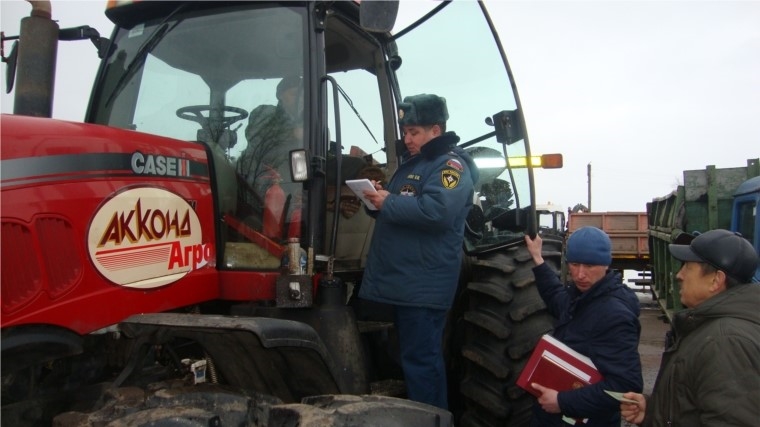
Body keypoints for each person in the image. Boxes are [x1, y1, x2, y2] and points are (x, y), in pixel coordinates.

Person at [358, 93, 478, 410]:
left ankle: (432, 418)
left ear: (435, 131)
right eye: (405, 132)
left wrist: (390, 201)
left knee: (421, 363)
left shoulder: (450, 166)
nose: (407, 139)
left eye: (414, 132)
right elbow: (402, 208)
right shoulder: (418, 165)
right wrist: (377, 200)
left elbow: (437, 212)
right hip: (406, 283)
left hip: (423, 287)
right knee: (410, 359)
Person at [620, 229, 760, 426]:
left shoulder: (725, 342)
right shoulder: (709, 328)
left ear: (715, 280)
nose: (679, 274)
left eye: (688, 267)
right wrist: (653, 411)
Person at [524, 227, 643, 426]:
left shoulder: (615, 316)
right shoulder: (581, 297)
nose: (580, 274)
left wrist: (563, 402)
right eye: (575, 264)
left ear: (606, 264)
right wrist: (537, 258)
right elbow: (556, 296)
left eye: (589, 266)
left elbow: (625, 386)